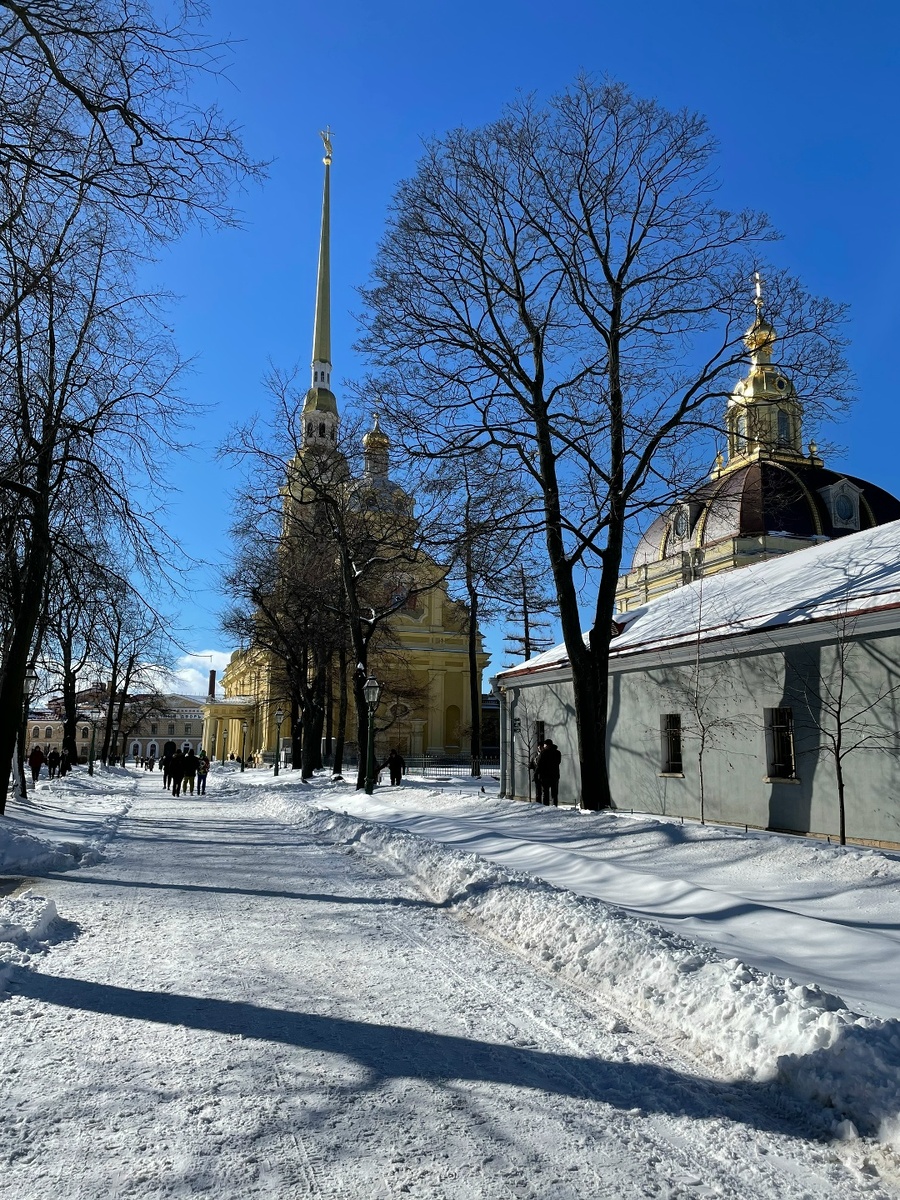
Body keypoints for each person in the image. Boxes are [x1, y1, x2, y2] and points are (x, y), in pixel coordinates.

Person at [536, 739, 562, 807]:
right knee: (554, 793)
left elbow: (539, 764)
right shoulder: (557, 753)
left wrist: (536, 773)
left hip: (545, 776)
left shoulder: (543, 753)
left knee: (545, 793)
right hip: (555, 775)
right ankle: (554, 805)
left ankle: (546, 806)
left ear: (546, 745)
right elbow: (558, 762)